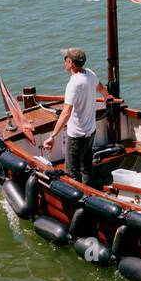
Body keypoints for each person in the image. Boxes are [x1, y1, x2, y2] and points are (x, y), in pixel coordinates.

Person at [43, 47, 99, 185]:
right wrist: (107, 96)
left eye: (65, 59)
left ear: (70, 62)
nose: (64, 62)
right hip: (90, 132)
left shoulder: (73, 84)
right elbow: (101, 87)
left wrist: (53, 136)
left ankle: (77, 201)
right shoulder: (90, 74)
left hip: (77, 137)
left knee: (72, 172)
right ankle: (90, 196)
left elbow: (66, 112)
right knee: (87, 168)